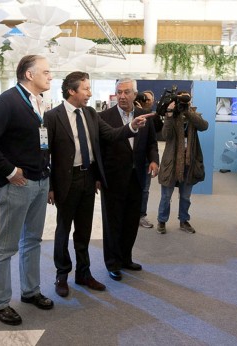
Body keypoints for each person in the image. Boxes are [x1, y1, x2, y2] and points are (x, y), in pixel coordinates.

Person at [44, 71, 149, 297]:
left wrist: (132, 127)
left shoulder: (91, 113)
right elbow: (46, 154)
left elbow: (111, 135)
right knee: (63, 230)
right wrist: (50, 186)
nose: (90, 93)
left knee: (84, 231)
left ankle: (83, 273)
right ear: (72, 91)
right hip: (65, 181)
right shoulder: (52, 117)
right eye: (86, 89)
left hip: (88, 179)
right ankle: (61, 275)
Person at [0, 55, 54, 326]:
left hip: (40, 181)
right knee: (6, 247)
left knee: (32, 240)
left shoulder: (38, 102)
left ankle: (30, 291)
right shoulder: (7, 101)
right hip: (17, 184)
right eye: (45, 71)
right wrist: (9, 170)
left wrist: (47, 175)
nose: (50, 76)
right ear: (29, 75)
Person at [99, 79, 159, 281]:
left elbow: (152, 143)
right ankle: (112, 263)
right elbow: (99, 150)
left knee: (131, 222)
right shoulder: (104, 117)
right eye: (119, 92)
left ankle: (125, 258)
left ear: (135, 94)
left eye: (126, 92)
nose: (122, 96)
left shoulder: (145, 117)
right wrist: (98, 176)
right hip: (113, 179)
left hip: (137, 178)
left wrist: (153, 161)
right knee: (113, 223)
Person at [156, 90, 208, 234]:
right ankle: (161, 221)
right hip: (171, 163)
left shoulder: (193, 115)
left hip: (188, 163)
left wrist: (188, 112)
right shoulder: (172, 116)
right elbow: (166, 135)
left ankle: (184, 221)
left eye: (187, 99)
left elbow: (204, 126)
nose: (184, 102)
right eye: (182, 99)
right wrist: (169, 114)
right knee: (166, 196)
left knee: (185, 196)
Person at [136, 89, 163, 228]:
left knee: (144, 189)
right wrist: (137, 111)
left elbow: (157, 130)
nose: (146, 102)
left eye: (149, 100)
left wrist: (146, 112)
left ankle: (141, 215)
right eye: (143, 99)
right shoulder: (131, 111)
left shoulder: (153, 115)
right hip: (130, 158)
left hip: (146, 159)